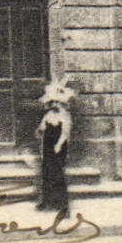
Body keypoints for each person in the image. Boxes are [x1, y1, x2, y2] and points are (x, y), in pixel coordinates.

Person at [34, 80, 74, 213]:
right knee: (46, 172)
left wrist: (58, 145)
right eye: (53, 102)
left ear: (62, 103)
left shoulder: (65, 116)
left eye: (58, 102)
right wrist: (40, 131)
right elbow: (42, 129)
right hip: (47, 145)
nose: (55, 105)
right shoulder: (48, 115)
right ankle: (46, 202)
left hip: (58, 147)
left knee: (57, 173)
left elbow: (65, 134)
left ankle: (61, 203)